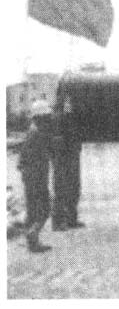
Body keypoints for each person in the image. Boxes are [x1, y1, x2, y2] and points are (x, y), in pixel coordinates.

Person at [18, 99, 54, 253]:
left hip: (32, 176)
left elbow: (22, 161)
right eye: (46, 117)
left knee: (33, 209)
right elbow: (34, 159)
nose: (48, 120)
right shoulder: (37, 134)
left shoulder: (33, 131)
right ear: (40, 118)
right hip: (36, 177)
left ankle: (32, 240)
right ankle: (32, 237)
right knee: (43, 209)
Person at [52, 96, 83, 230]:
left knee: (74, 188)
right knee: (61, 190)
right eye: (67, 103)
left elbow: (75, 137)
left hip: (72, 158)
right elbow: (57, 142)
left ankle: (71, 220)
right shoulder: (58, 119)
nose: (69, 105)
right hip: (63, 160)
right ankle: (58, 222)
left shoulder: (71, 118)